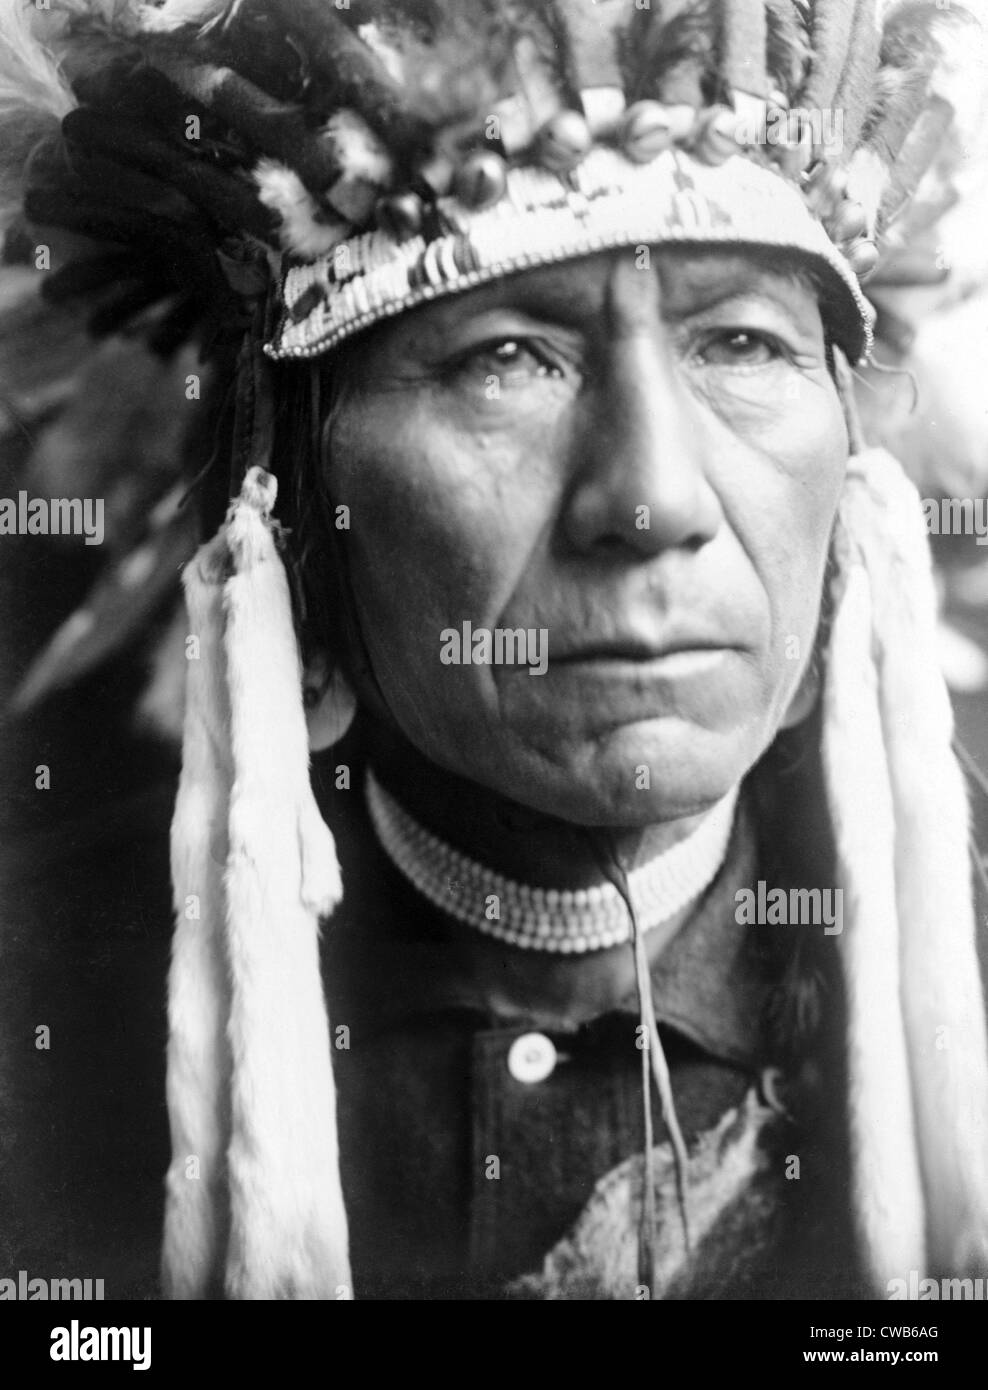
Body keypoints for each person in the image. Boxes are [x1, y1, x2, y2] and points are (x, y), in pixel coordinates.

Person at [1, 0, 987, 1302]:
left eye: (742, 343)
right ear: (288, 512)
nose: (651, 503)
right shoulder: (42, 1018)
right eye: (506, 357)